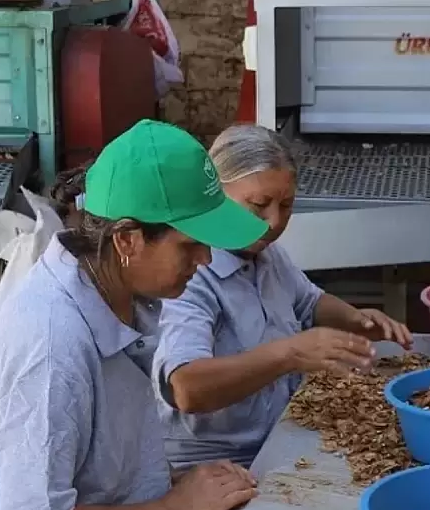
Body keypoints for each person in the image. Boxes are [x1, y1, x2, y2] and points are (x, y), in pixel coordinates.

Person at [0, 119, 268, 510]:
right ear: (126, 238)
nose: (203, 262)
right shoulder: (50, 349)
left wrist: (171, 494)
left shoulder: (111, 285)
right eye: (191, 246)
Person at [154, 123, 413, 470]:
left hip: (280, 436)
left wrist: (358, 320)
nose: (274, 221)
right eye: (258, 205)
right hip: (215, 466)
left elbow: (309, 301)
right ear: (214, 196)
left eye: (287, 205)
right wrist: (289, 354)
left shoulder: (266, 253)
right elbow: (186, 388)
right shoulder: (190, 276)